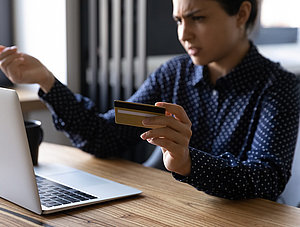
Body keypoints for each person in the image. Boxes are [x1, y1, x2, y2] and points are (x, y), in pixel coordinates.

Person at [0, 0, 299, 201]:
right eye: (179, 20)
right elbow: (106, 137)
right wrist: (46, 81)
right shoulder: (175, 73)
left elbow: (266, 179)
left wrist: (187, 162)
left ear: (242, 14)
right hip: (170, 209)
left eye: (198, 18)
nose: (184, 34)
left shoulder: (280, 87)